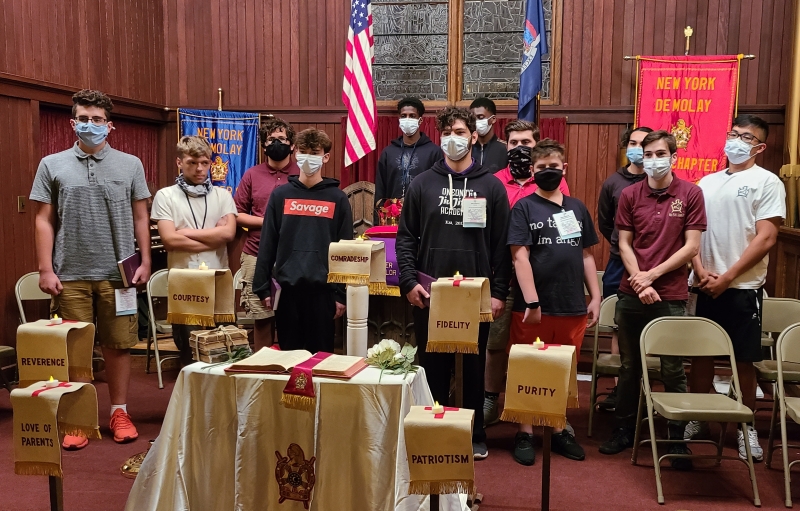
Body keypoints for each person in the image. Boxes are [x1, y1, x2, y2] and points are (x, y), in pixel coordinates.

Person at [30, 89, 152, 449]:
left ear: (109, 125)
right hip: (70, 273)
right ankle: (80, 418)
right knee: (76, 350)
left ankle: (119, 412)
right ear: (73, 123)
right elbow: (43, 219)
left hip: (119, 275)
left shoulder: (131, 164)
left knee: (118, 345)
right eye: (83, 119)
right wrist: (45, 268)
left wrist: (146, 261)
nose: (90, 124)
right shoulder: (51, 164)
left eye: (97, 119)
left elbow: (141, 216)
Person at [397, 106, 511, 460]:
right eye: (447, 132)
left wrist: (499, 293)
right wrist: (408, 281)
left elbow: (501, 246)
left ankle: (475, 433)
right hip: (430, 293)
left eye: (460, 132)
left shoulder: (491, 186)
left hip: (475, 296)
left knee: (473, 368)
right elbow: (405, 238)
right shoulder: (422, 184)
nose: (453, 139)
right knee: (434, 366)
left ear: (474, 136)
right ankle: (435, 429)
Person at [599, 131, 706, 472]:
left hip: (670, 293)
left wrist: (652, 276)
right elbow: (624, 244)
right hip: (632, 292)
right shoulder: (630, 194)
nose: (654, 159)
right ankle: (623, 429)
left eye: (661, 153)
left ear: (673, 157)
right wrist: (638, 280)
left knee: (673, 368)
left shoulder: (690, 193)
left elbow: (691, 247)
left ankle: (676, 438)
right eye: (648, 154)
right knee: (630, 367)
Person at [686, 115, 785, 462]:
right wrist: (700, 271)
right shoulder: (706, 182)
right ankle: (698, 416)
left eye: (746, 137)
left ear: (760, 147)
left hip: (742, 285)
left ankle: (746, 426)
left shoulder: (767, 182)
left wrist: (728, 276)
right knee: (701, 356)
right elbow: (691, 233)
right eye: (733, 134)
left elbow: (767, 237)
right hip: (703, 282)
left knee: (743, 359)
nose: (737, 141)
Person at [506, 139, 601, 465]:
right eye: (542, 167)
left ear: (564, 168)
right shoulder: (524, 208)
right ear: (533, 170)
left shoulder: (576, 208)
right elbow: (520, 257)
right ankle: (525, 431)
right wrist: (532, 302)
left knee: (563, 370)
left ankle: (558, 428)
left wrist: (596, 296)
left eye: (554, 166)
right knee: (528, 368)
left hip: (571, 304)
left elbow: (586, 255)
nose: (548, 171)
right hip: (533, 308)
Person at [483, 120, 570, 426]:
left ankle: (541, 407)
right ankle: (490, 399)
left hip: (540, 280)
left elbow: (562, 228)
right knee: (495, 343)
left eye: (526, 143)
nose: (519, 148)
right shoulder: (493, 182)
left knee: (537, 346)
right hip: (502, 278)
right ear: (505, 146)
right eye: (514, 143)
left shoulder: (552, 181)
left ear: (536, 145)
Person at [252, 129, 352, 353]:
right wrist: (262, 287)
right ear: (295, 153)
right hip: (287, 292)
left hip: (323, 293)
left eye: (314, 152)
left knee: (321, 359)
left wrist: (341, 294)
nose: (308, 157)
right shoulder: (280, 195)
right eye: (303, 151)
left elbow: (345, 249)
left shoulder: (338, 198)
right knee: (289, 359)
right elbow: (268, 241)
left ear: (325, 157)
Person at [151, 136, 238, 365]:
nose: (199, 169)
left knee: (224, 347)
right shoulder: (166, 195)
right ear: (179, 162)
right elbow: (169, 240)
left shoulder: (222, 195)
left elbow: (229, 234)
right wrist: (214, 237)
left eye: (205, 163)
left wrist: (185, 233)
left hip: (218, 279)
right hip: (184, 281)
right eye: (192, 162)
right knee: (190, 351)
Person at [595, 126, 653, 411]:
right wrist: (624, 248)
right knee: (620, 326)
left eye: (643, 144)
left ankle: (647, 391)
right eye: (632, 142)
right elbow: (606, 223)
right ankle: (621, 391)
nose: (637, 148)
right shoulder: (613, 182)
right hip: (620, 262)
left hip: (655, 264)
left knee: (652, 325)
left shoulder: (659, 181)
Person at [234, 118, 299, 349]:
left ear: (292, 145)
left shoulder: (302, 174)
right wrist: (269, 223)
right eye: (271, 139)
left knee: (293, 317)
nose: (276, 143)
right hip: (256, 253)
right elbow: (237, 214)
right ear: (264, 145)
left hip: (293, 255)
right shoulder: (252, 174)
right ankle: (263, 366)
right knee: (261, 317)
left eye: (282, 139)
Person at [374, 97, 442, 222]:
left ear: (420, 120)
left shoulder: (434, 152)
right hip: (392, 219)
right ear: (399, 119)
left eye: (412, 116)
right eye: (403, 116)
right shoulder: (388, 152)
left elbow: (438, 188)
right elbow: (380, 189)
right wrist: (378, 219)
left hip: (424, 217)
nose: (407, 119)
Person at [469, 97, 508, 174]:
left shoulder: (505, 148)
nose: (476, 121)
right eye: (473, 118)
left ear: (493, 119)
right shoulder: (466, 147)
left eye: (480, 117)